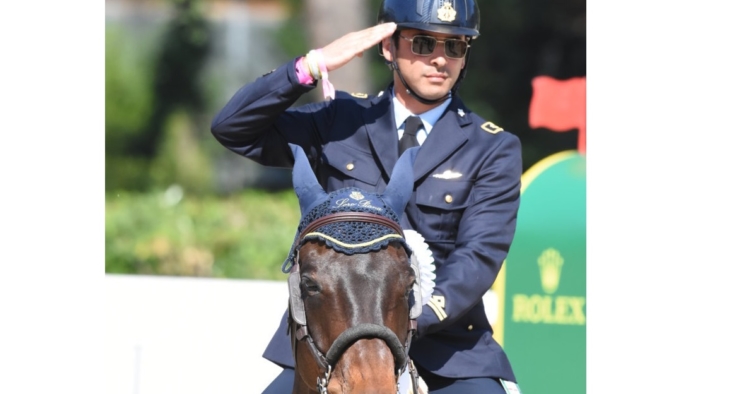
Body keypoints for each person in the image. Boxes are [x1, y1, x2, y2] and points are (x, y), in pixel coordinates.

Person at [210, 0, 523, 392]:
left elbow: (478, 257)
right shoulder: (340, 120)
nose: (440, 59)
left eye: (455, 47)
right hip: (330, 342)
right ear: (388, 47)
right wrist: (310, 66)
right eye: (424, 44)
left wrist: (404, 321)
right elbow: (232, 128)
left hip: (444, 351)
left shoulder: (491, 148)